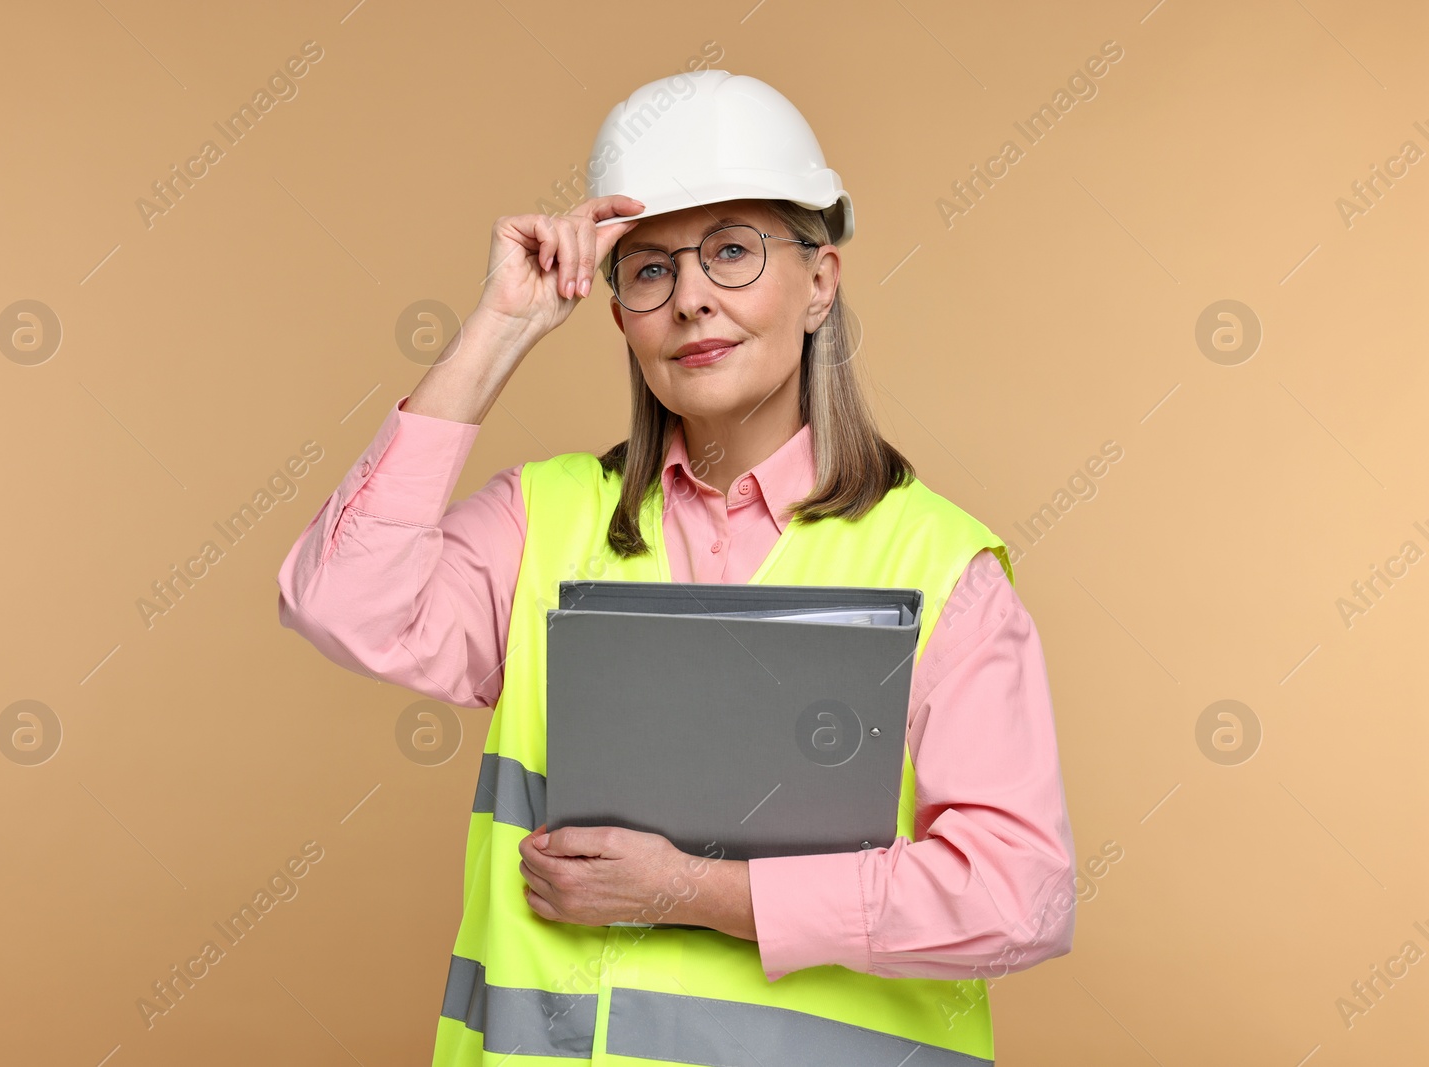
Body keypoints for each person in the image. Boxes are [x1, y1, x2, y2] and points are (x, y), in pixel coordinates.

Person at [277, 70, 1075, 1066]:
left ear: (820, 282)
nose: (690, 297)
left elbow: (1020, 896)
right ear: (618, 315)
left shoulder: (940, 566)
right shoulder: (544, 521)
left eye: (731, 251)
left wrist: (700, 893)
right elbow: (335, 599)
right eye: (648, 269)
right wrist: (500, 327)